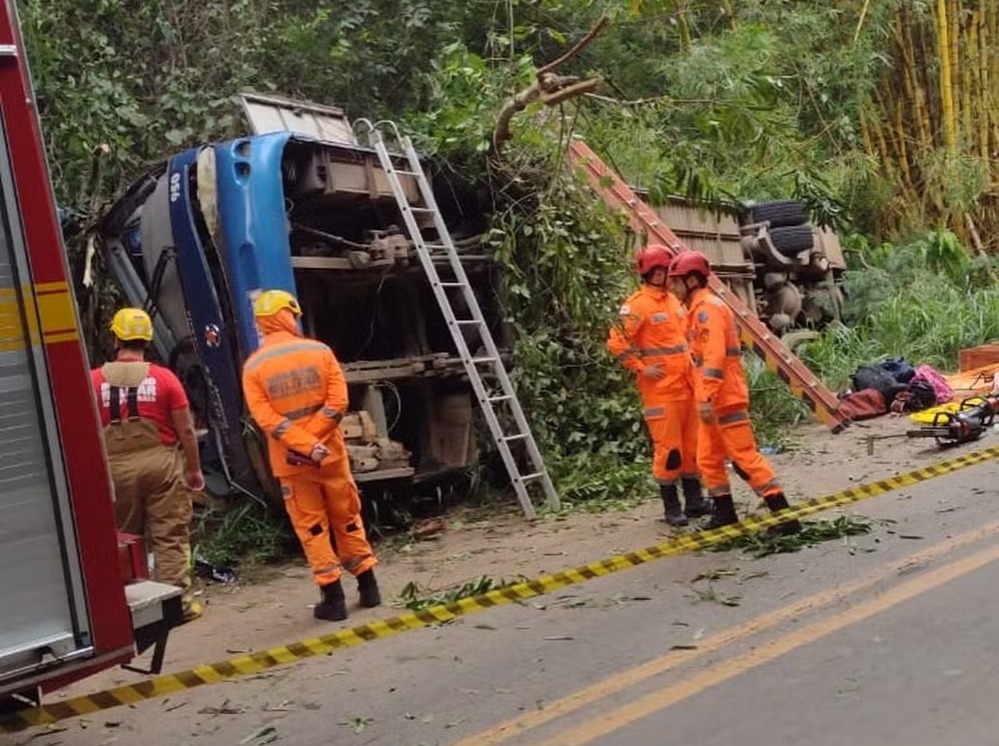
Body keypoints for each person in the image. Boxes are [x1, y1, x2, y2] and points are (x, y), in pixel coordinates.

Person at [241, 289, 380, 622]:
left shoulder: (254, 367)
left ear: (262, 323)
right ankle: (369, 586)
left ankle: (333, 601)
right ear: (289, 315)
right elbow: (338, 403)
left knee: (313, 528)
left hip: (292, 463)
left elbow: (266, 420)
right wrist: (316, 441)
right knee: (347, 517)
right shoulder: (320, 351)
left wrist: (303, 445)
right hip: (330, 455)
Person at [666, 251, 801, 534]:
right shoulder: (697, 310)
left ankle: (784, 517)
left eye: (676, 282)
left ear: (692, 281)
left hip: (722, 398)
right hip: (712, 398)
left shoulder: (708, 310)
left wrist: (706, 396)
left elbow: (713, 358)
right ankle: (725, 513)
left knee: (744, 457)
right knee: (707, 458)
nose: (672, 288)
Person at [91, 308, 205, 621]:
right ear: (147, 340)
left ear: (115, 338)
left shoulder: (93, 380)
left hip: (115, 471)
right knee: (169, 535)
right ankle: (176, 605)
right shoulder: (164, 378)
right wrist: (194, 470)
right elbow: (186, 431)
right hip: (162, 465)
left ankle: (133, 612)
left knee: (124, 540)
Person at [608, 244, 709, 526]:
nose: (671, 277)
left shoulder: (674, 301)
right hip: (661, 391)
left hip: (686, 386)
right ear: (653, 272)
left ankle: (695, 502)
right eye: (667, 271)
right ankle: (671, 508)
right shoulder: (638, 304)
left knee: (691, 447)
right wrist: (641, 367)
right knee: (670, 450)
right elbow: (616, 341)